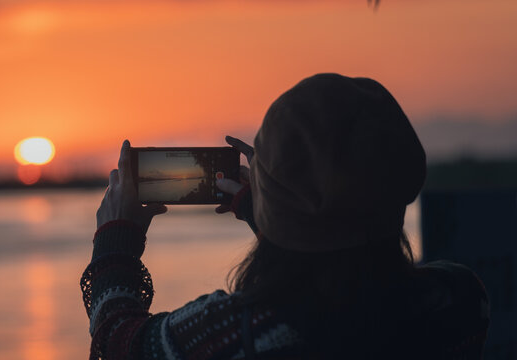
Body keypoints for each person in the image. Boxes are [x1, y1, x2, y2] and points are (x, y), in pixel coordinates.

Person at [80, 73, 489, 359]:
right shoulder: (457, 302)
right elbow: (342, 242)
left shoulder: (232, 333)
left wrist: (117, 240)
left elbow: (120, 344)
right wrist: (274, 212)